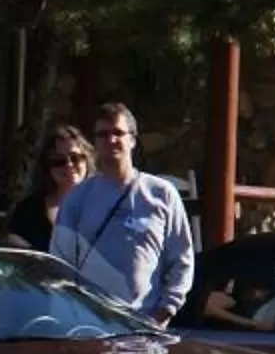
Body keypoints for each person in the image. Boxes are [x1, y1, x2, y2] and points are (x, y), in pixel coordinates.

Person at [50, 102, 197, 324]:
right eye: (103, 134)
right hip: (90, 325)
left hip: (145, 326)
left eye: (118, 133)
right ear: (95, 143)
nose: (111, 140)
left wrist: (165, 310)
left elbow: (182, 260)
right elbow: (59, 264)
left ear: (133, 139)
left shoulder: (162, 194)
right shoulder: (78, 198)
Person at [6, 125, 90, 250]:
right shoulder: (28, 211)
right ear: (47, 167)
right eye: (59, 161)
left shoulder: (105, 205)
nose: (69, 165)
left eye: (75, 158)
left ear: (86, 160)